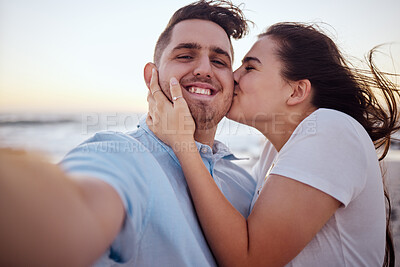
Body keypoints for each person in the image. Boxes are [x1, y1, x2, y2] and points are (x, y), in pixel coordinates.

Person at [0, 1, 257, 266]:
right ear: (152, 77)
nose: (205, 69)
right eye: (185, 56)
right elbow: (68, 216)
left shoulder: (246, 183)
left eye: (219, 61)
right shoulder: (121, 155)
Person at [147, 22, 399, 266]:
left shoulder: (331, 127)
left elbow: (249, 259)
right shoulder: (274, 151)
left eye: (250, 68)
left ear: (296, 92)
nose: (233, 76)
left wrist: (182, 142)